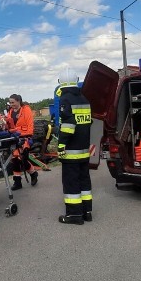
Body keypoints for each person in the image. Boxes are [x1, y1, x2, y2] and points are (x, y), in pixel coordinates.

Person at [56, 68, 93, 225]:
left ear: (61, 83)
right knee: (84, 181)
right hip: (84, 150)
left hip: (71, 151)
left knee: (71, 183)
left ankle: (74, 216)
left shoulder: (66, 99)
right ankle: (87, 212)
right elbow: (89, 122)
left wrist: (61, 145)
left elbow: (68, 125)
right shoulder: (84, 99)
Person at [5, 94, 39, 190]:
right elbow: (10, 126)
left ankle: (33, 173)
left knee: (23, 159)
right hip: (14, 138)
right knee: (15, 160)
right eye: (10, 103)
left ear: (18, 101)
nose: (11, 104)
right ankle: (17, 181)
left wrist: (23, 133)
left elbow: (30, 125)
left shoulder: (26, 110)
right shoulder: (10, 112)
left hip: (25, 138)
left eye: (13, 102)